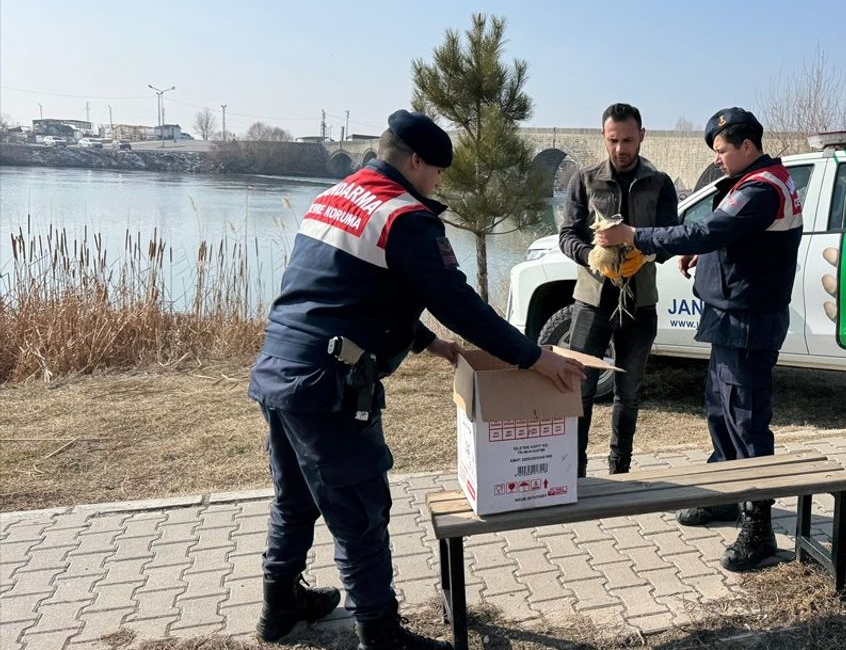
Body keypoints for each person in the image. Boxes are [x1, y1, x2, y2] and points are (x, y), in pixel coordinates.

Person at [247, 110, 585, 650]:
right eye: (437, 173)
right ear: (416, 161)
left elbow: (354, 289)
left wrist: (431, 344)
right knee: (360, 509)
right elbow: (457, 300)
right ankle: (380, 634)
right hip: (327, 385)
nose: (438, 184)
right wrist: (530, 356)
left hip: (279, 372)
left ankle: (278, 605)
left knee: (296, 497)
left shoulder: (337, 197)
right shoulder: (404, 216)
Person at [595, 107, 802, 571]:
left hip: (748, 320)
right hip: (731, 314)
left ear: (746, 146)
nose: (719, 160)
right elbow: (728, 242)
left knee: (746, 422)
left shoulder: (761, 189)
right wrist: (700, 258)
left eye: (722, 151)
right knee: (721, 412)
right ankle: (726, 496)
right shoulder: (759, 179)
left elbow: (712, 229)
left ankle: (758, 528)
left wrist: (637, 235)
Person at [558, 103, 679, 477]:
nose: (621, 149)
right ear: (603, 137)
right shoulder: (584, 178)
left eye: (628, 140)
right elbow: (567, 236)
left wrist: (646, 253)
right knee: (579, 390)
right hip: (591, 302)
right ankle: (574, 472)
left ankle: (619, 470)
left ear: (642, 135)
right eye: (613, 140)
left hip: (640, 303)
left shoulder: (660, 183)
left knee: (628, 393)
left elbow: (671, 238)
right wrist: (591, 256)